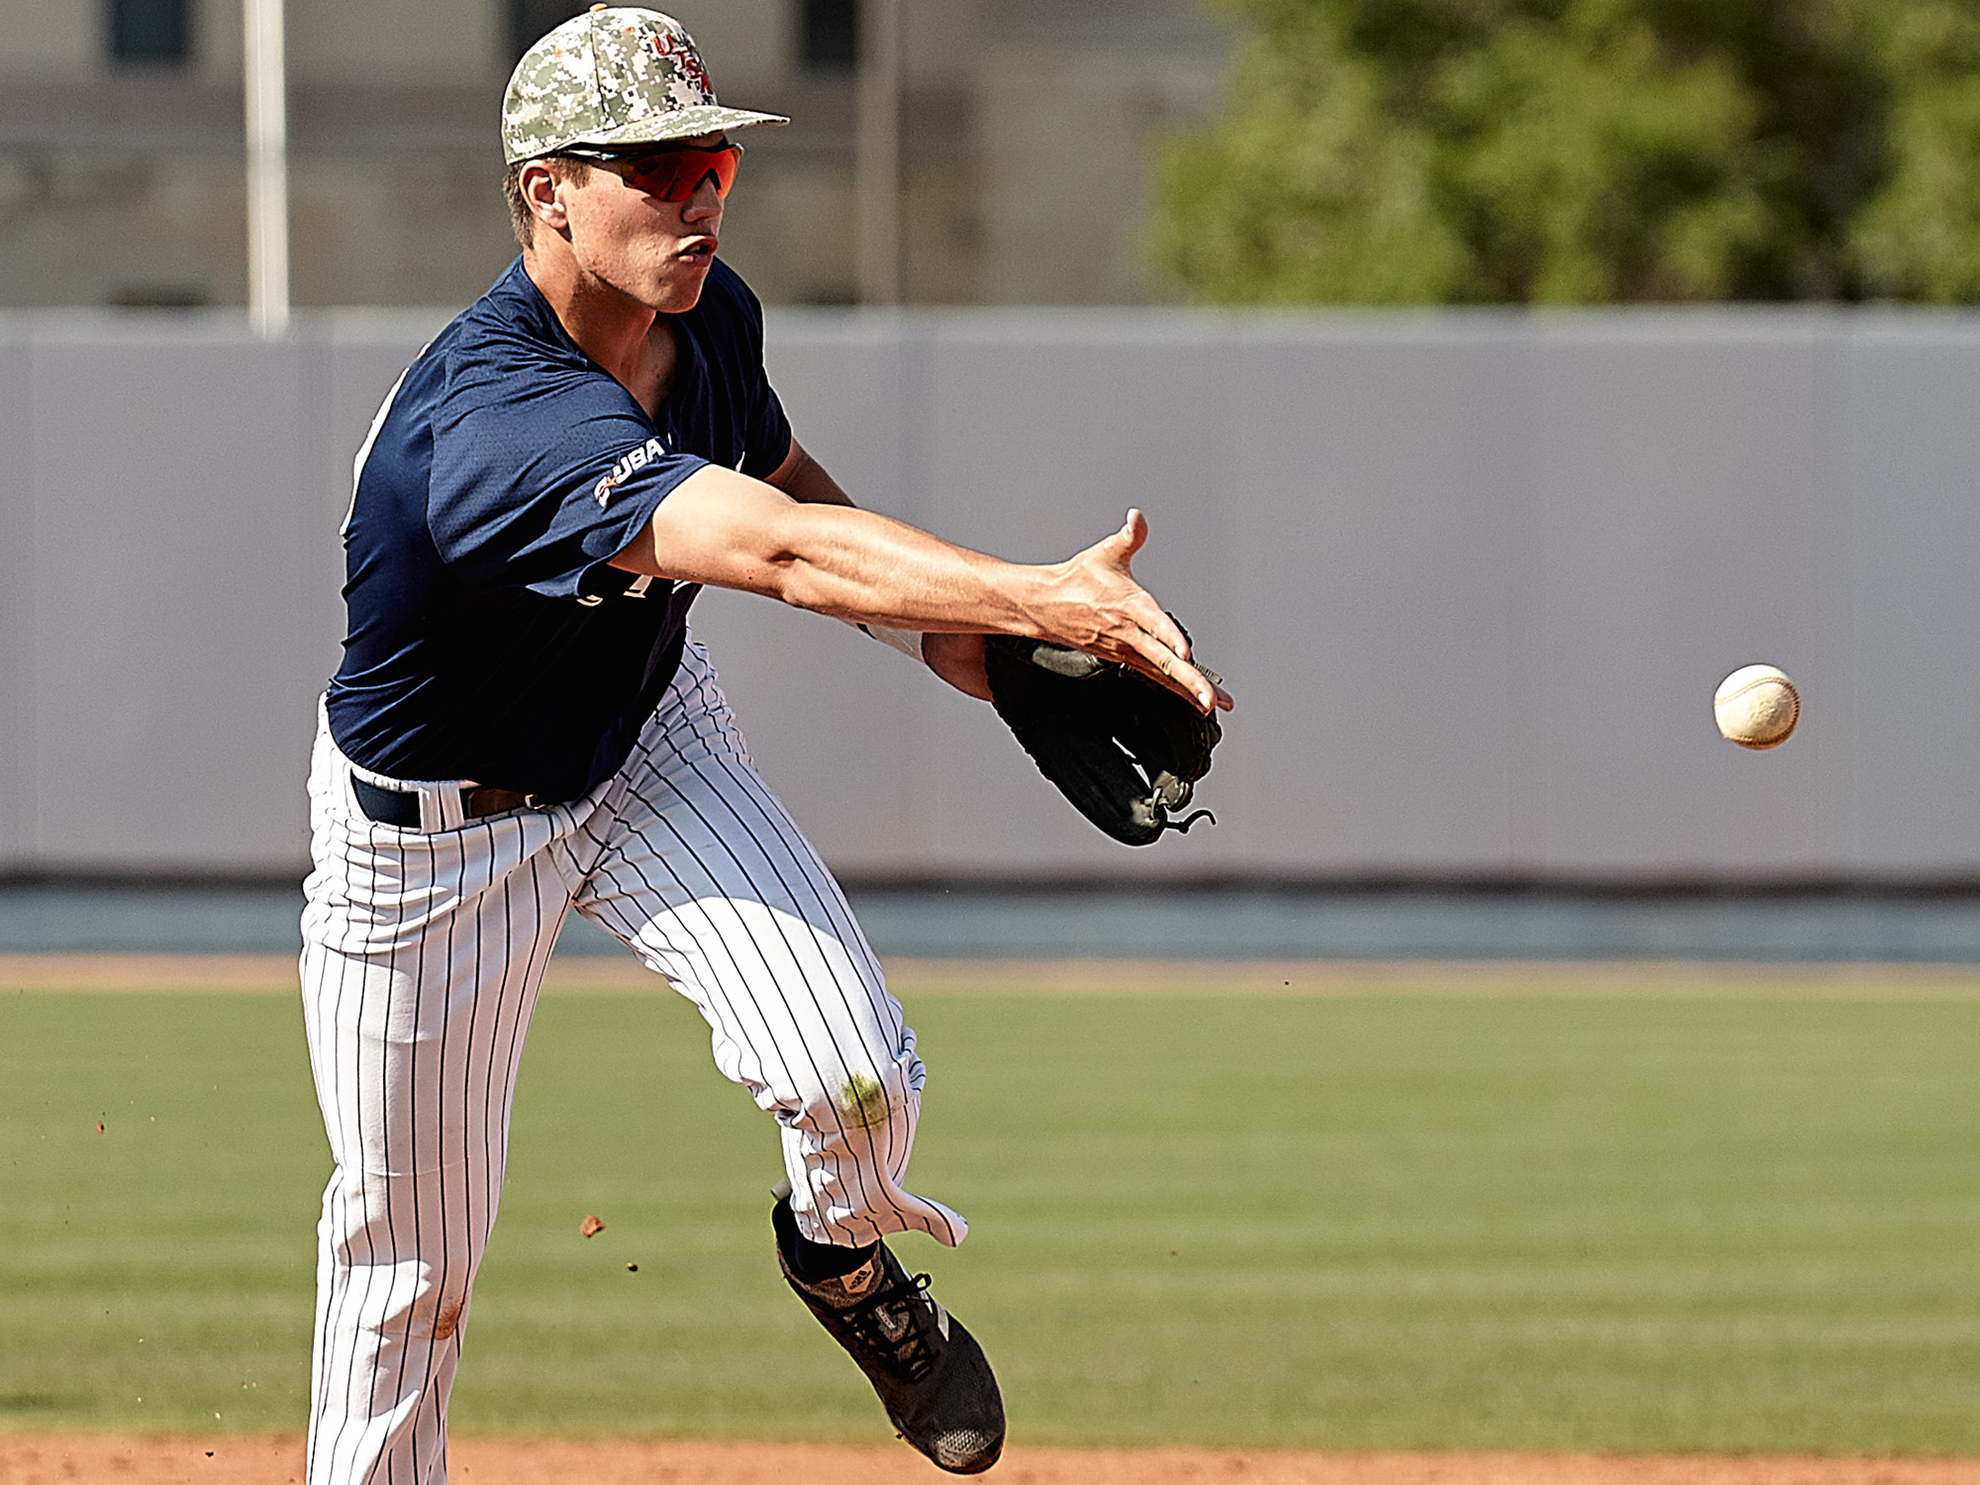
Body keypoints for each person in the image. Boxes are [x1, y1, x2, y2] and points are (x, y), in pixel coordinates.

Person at [297, 8, 1233, 1482]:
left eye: (714, 157)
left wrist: (949, 637)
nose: (700, 193)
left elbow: (786, 479)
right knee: (409, 1263)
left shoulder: (708, 317)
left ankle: (846, 1268)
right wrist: (1034, 592)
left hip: (644, 738)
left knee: (857, 1075)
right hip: (434, 843)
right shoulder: (489, 423)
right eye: (656, 166)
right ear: (546, 192)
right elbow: (781, 552)